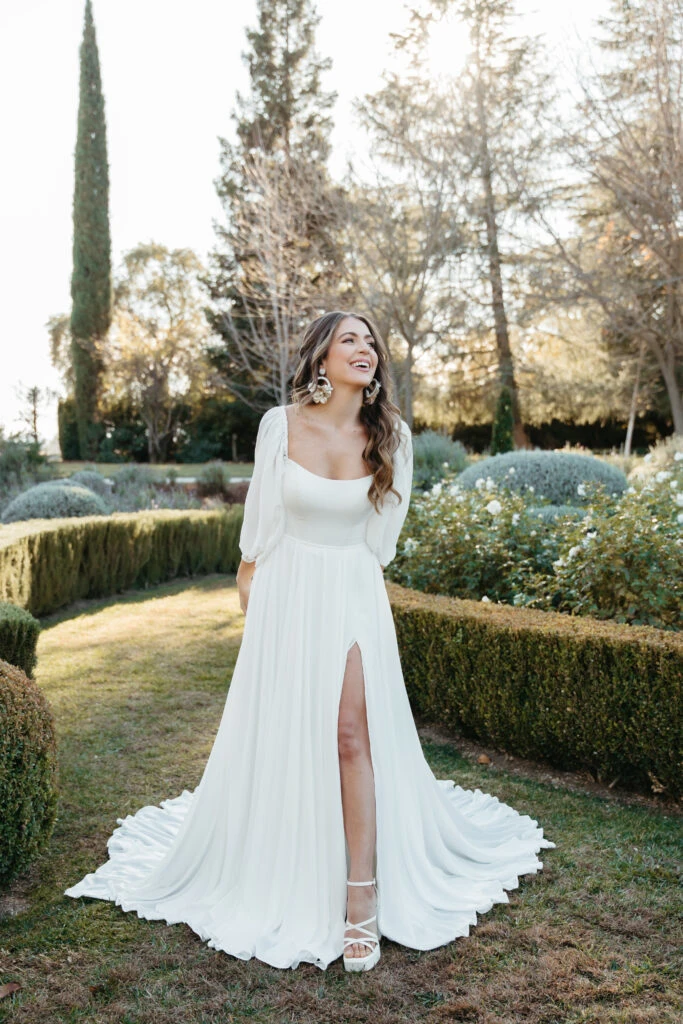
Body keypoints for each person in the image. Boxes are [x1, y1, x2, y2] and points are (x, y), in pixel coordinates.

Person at [64, 310, 555, 973]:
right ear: (320, 358)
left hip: (349, 591)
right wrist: (252, 595)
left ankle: (361, 899)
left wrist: (341, 582)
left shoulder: (392, 437)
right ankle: (283, 861)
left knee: (350, 733)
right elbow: (258, 530)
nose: (365, 350)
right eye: (349, 339)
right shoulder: (279, 425)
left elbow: (378, 543)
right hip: (285, 593)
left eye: (370, 342)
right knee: (291, 733)